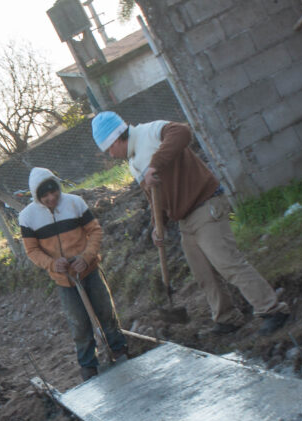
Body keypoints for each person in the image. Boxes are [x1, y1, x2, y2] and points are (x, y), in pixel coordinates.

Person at [91, 111, 290, 336]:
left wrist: (155, 164)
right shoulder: (133, 162)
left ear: (116, 139)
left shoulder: (150, 131)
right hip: (185, 219)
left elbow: (182, 132)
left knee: (228, 263)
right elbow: (155, 198)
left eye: (109, 149)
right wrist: (160, 225)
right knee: (203, 274)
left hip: (205, 205)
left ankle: (272, 310)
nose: (110, 154)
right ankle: (227, 318)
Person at [18, 167, 129, 381]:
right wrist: (52, 264)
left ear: (58, 188)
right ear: (37, 197)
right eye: (45, 195)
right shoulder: (27, 217)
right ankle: (89, 367)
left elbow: (94, 231)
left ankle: (119, 350)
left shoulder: (74, 203)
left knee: (106, 311)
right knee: (78, 324)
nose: (51, 198)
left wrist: (86, 257)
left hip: (89, 270)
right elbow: (32, 250)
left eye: (54, 192)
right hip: (64, 279)